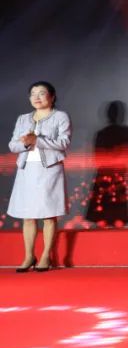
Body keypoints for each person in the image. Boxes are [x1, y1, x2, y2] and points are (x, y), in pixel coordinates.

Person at [7, 81, 71, 272]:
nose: (37, 97)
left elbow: (64, 143)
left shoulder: (60, 116)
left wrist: (38, 140)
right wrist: (26, 143)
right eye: (33, 94)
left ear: (52, 96)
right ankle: (29, 256)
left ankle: (45, 256)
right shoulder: (23, 119)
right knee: (28, 216)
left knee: (48, 215)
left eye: (42, 93)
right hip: (26, 170)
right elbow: (13, 145)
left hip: (49, 170)